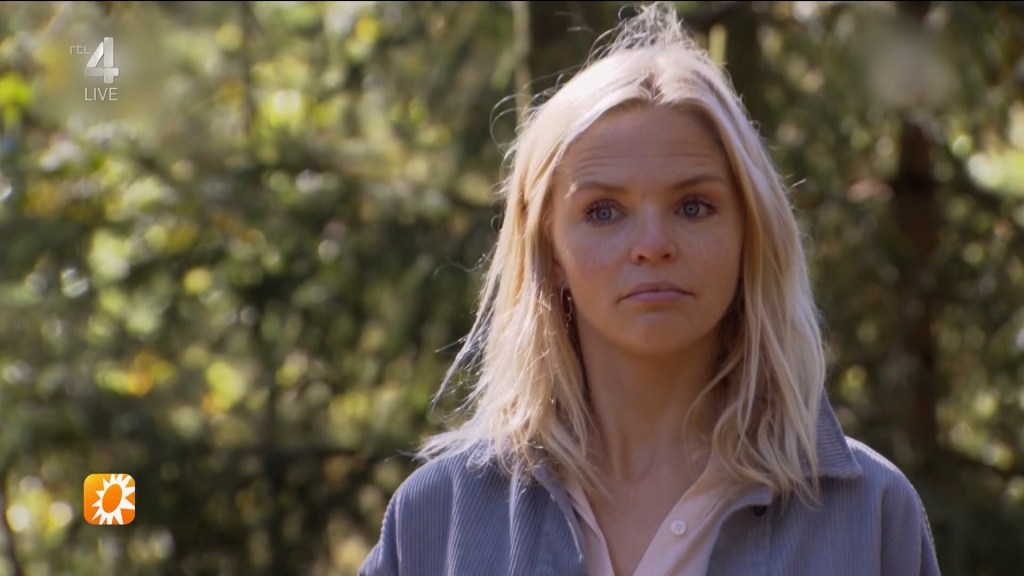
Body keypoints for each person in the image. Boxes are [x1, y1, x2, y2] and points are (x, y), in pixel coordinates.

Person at [360, 3, 940, 575]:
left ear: (750, 235)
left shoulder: (870, 514)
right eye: (603, 211)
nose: (653, 244)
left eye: (694, 206)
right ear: (549, 251)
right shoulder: (439, 518)